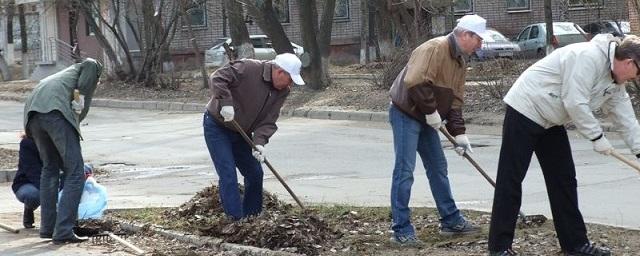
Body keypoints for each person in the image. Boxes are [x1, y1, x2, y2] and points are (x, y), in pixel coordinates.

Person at [487, 34, 640, 256]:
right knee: (510, 179)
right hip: (526, 108)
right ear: (629, 62)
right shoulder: (587, 57)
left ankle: (575, 245)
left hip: (551, 120)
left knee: (564, 180)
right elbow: (575, 102)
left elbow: (627, 121)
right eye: (638, 72)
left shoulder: (615, 84)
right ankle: (500, 248)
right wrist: (597, 137)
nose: (635, 78)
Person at [388, 14, 487, 244]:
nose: (480, 45)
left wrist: (459, 133)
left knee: (438, 167)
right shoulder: (434, 48)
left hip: (426, 117)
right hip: (405, 113)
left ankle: (451, 221)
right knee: (405, 170)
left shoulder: (460, 61)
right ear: (465, 35)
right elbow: (415, 81)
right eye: (479, 39)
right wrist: (432, 112)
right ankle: (401, 230)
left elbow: (455, 101)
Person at [203, 53, 305, 220]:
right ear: (280, 72)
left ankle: (252, 217)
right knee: (228, 173)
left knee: (255, 172)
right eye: (291, 79)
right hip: (217, 126)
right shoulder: (249, 68)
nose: (291, 84)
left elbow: (269, 119)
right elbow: (218, 77)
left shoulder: (282, 91)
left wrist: (259, 143)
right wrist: (225, 103)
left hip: (240, 131)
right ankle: (235, 221)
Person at [23, 58, 102, 244]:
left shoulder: (62, 76)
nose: (98, 82)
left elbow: (77, 106)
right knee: (75, 172)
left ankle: (48, 228)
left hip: (33, 117)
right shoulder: (91, 66)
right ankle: (64, 230)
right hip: (55, 113)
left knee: (50, 170)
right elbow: (80, 103)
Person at [11, 134, 43, 228]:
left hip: (55, 178)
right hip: (28, 182)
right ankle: (29, 208)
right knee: (34, 195)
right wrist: (49, 190)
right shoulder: (28, 143)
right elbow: (32, 170)